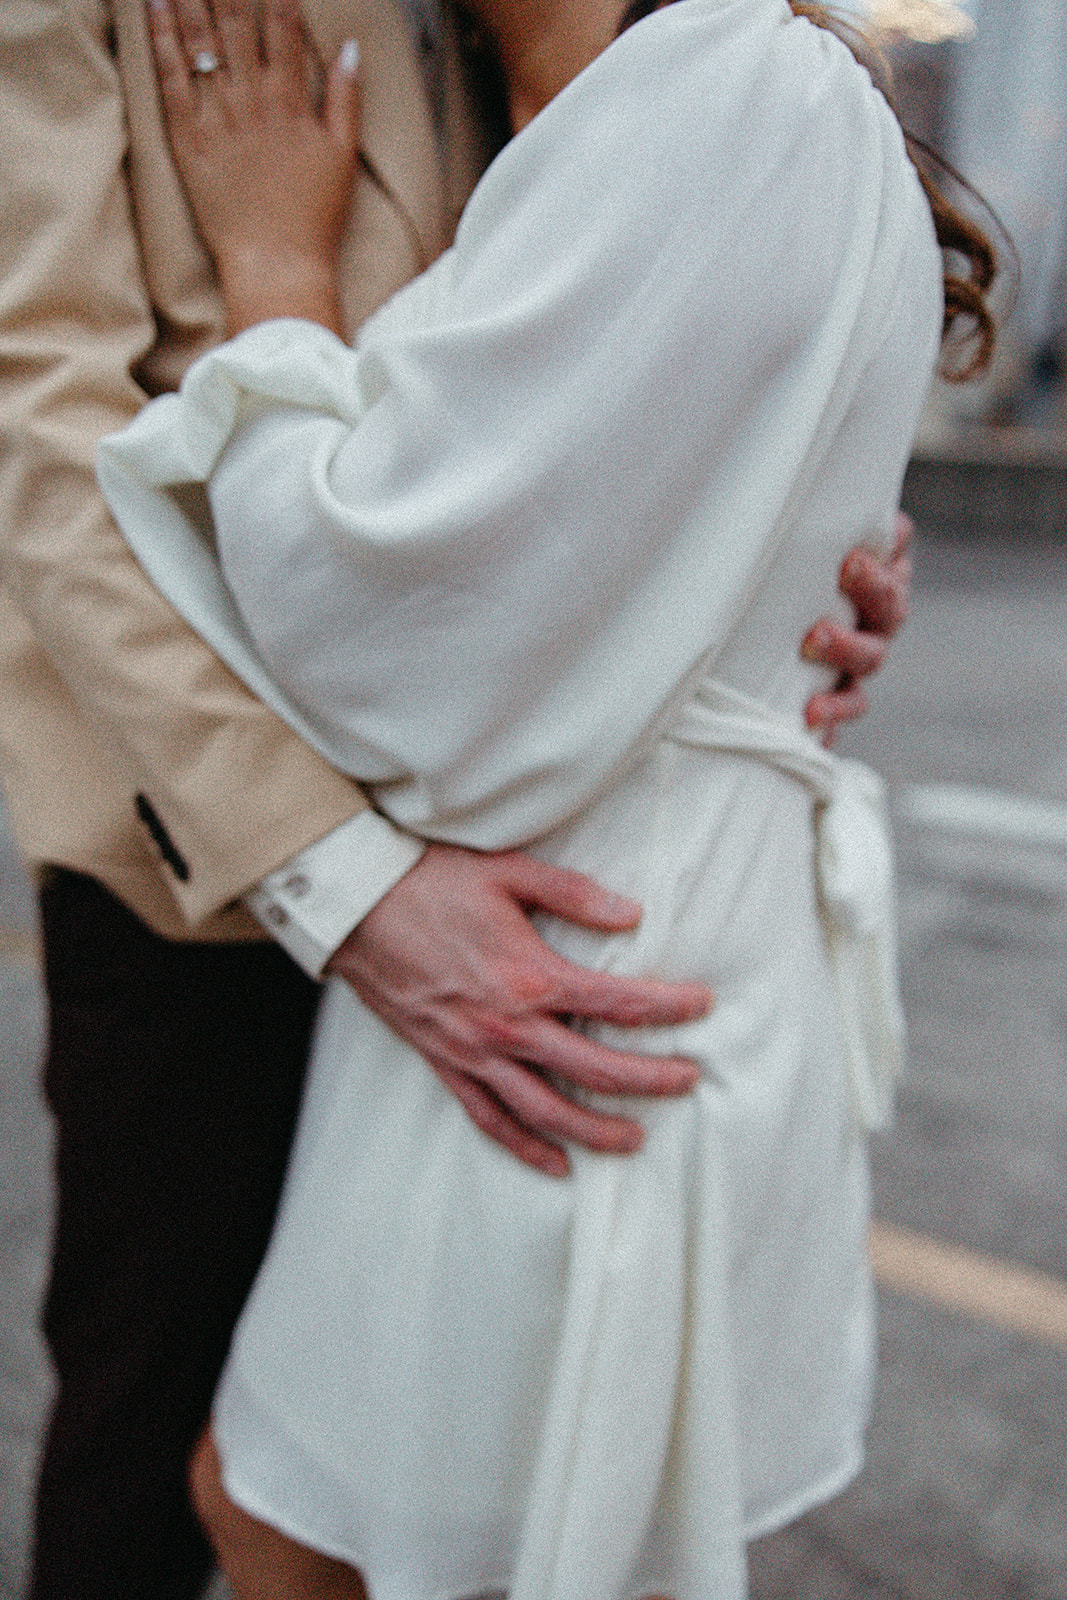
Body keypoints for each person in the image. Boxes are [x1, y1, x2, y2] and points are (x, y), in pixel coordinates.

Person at [0, 1, 911, 1595]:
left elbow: (665, 361)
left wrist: (799, 555)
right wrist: (329, 870)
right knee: (156, 1480)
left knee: (438, 1514)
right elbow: (40, 425)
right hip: (208, 873)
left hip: (549, 872)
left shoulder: (669, 53)